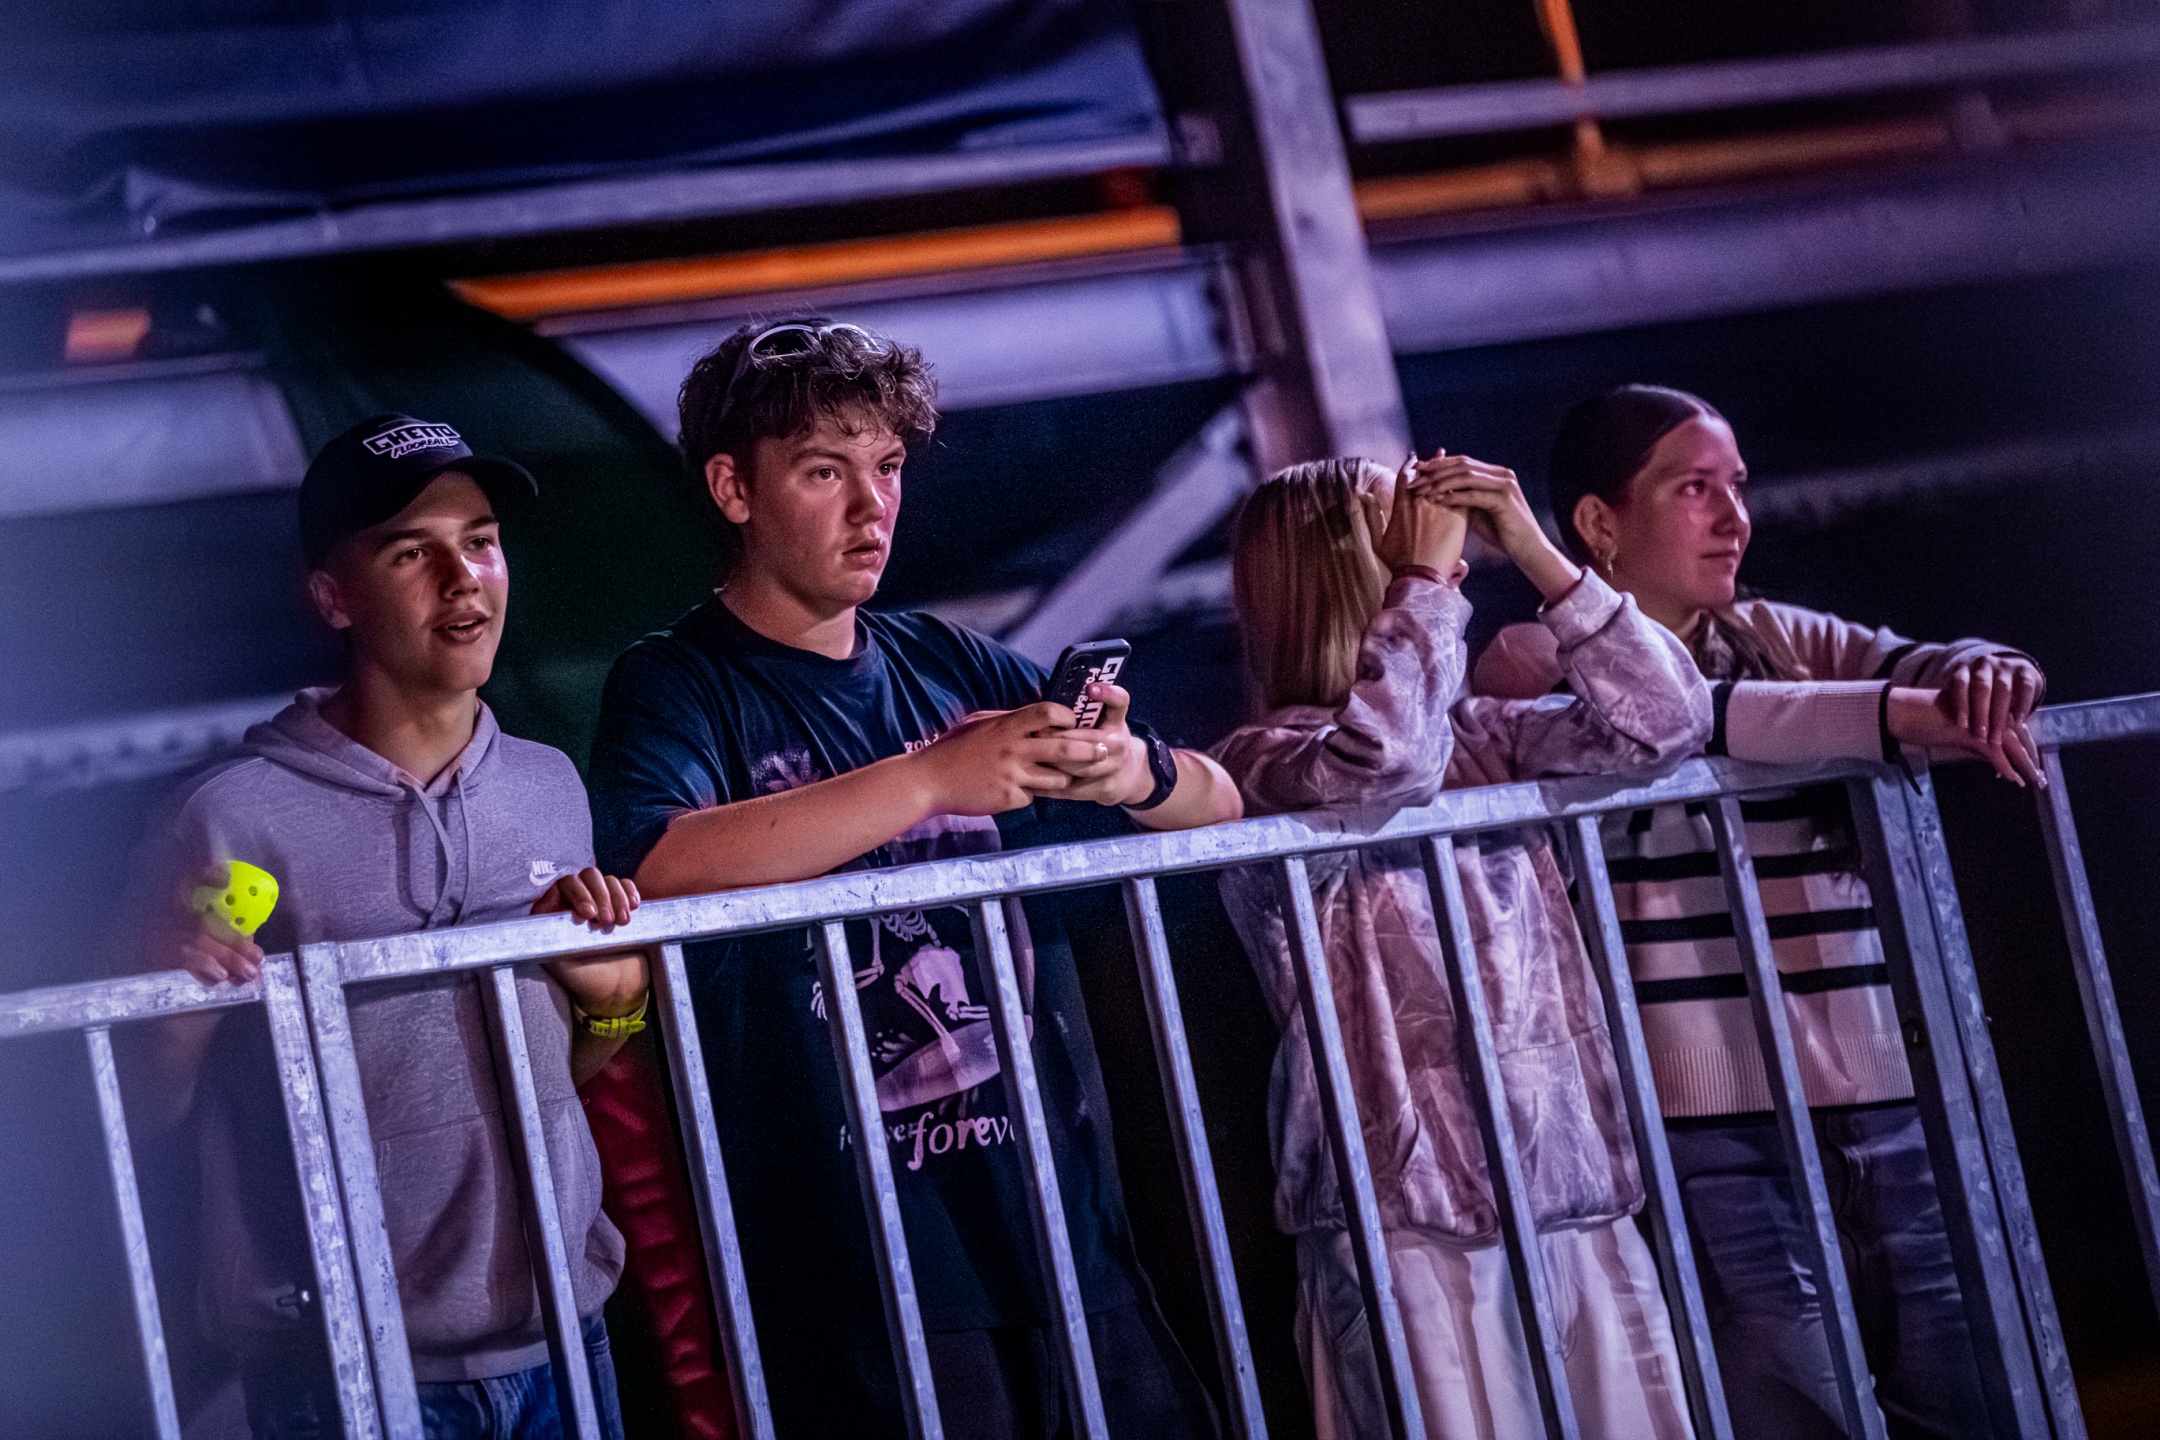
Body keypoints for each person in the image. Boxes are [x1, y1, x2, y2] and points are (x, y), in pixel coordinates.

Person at [585, 319, 1241, 1439]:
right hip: (855, 1266)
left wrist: (1132, 769)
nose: (871, 506)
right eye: (824, 471)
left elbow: (1222, 805)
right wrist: (932, 779)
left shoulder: (944, 658)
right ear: (733, 489)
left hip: (1058, 1223)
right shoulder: (675, 683)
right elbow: (658, 862)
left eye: (886, 466)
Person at [1474, 384, 2045, 1439]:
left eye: (1736, 486)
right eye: (1695, 489)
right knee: (1794, 1394)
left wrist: (1984, 668)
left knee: (1969, 1386)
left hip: (1880, 1083)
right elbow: (1684, 718)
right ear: (1598, 523)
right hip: (1705, 1115)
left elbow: (1928, 663)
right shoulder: (1534, 660)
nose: (1735, 517)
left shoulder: (1777, 632)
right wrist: (1900, 716)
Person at [131, 414, 651, 1440]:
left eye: (481, 540)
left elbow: (554, 1070)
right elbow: (136, 1108)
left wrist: (618, 1008)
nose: (463, 579)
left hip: (563, 1336)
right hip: (346, 1372)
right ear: (333, 597)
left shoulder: (550, 786)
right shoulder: (229, 820)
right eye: (413, 552)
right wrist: (170, 1023)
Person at [1213, 450, 1709, 1439]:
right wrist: (1426, 582)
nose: (1429, 529)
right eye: (1395, 518)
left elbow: (1670, 720)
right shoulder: (1260, 763)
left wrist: (1535, 549)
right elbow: (1387, 760)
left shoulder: (1486, 736)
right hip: (1406, 1227)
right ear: (1340, 564)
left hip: (1570, 1190)